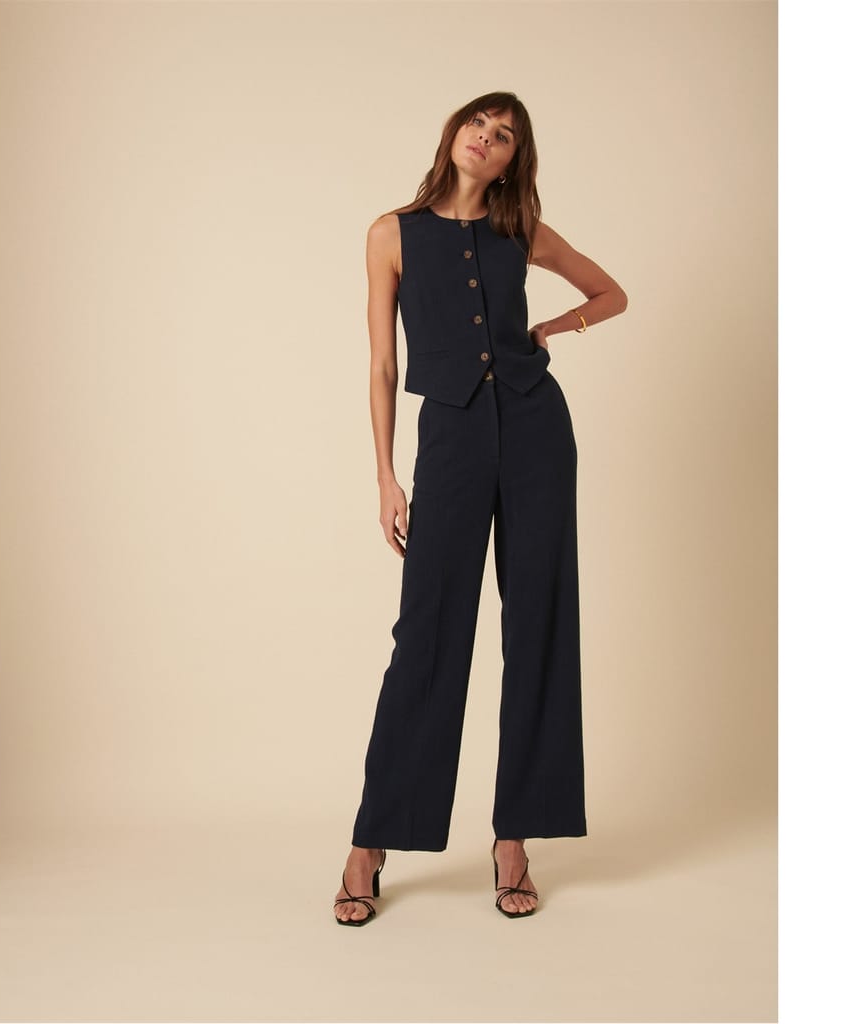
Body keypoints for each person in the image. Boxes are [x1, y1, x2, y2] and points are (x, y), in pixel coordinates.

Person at [333, 92, 628, 926]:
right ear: (454, 132)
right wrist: (387, 477)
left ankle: (514, 840)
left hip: (537, 433)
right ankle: (372, 842)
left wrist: (552, 328)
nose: (486, 139)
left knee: (538, 624)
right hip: (452, 440)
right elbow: (382, 364)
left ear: (509, 162)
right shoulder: (391, 233)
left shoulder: (519, 229)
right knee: (427, 633)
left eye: (503, 137)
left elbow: (611, 293)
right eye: (479, 124)